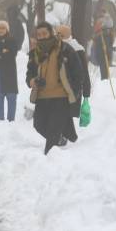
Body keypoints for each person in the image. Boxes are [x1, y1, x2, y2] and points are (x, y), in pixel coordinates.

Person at [26, 22, 84, 155]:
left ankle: (49, 158)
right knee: (39, 125)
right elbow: (29, 74)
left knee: (52, 133)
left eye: (44, 33)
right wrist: (32, 81)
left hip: (61, 97)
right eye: (39, 34)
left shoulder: (65, 49)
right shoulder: (35, 53)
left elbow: (78, 72)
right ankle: (61, 138)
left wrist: (74, 92)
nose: (41, 36)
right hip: (42, 97)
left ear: (51, 33)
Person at [57, 25, 91, 119]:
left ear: (61, 36)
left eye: (58, 34)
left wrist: (86, 95)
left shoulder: (75, 50)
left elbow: (84, 73)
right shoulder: (58, 49)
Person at [93, 9, 115, 80]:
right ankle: (105, 77)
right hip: (103, 41)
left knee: (103, 60)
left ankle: (104, 77)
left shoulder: (103, 20)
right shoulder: (107, 20)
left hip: (103, 42)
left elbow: (97, 29)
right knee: (104, 61)